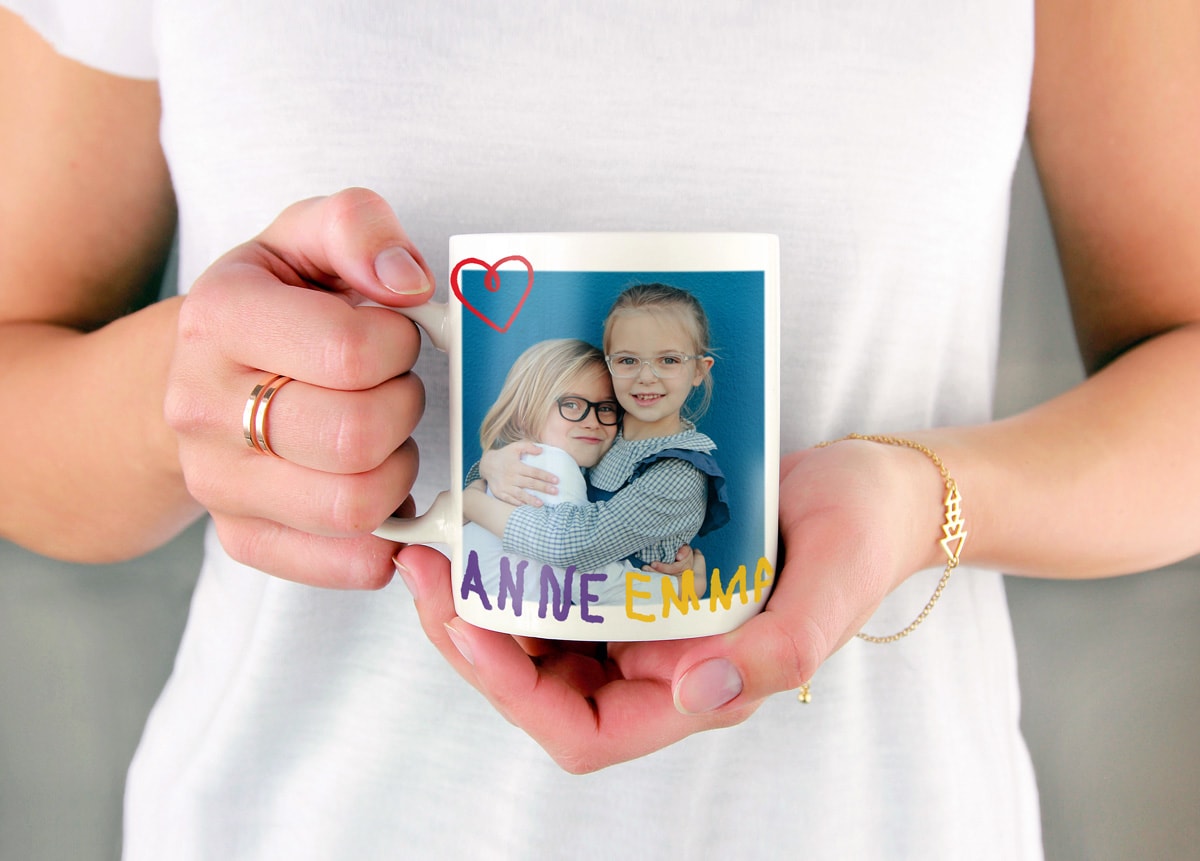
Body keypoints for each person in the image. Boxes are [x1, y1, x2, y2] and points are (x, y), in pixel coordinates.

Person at [1, 3, 1198, 859]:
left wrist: (919, 499)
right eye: (618, 371)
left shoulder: (659, 475)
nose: (631, 389)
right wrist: (197, 395)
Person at [466, 283, 728, 606]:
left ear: (699, 370)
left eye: (669, 360)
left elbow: (574, 547)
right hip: (579, 615)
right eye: (628, 361)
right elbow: (539, 480)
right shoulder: (606, 433)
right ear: (611, 366)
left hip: (636, 624)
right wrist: (490, 466)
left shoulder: (678, 471)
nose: (646, 377)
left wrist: (471, 504)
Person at [462, 337, 626, 603]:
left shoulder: (518, 463)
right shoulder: (551, 463)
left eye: (606, 408)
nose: (593, 422)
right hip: (506, 622)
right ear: (525, 412)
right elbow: (584, 577)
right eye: (572, 404)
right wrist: (676, 588)